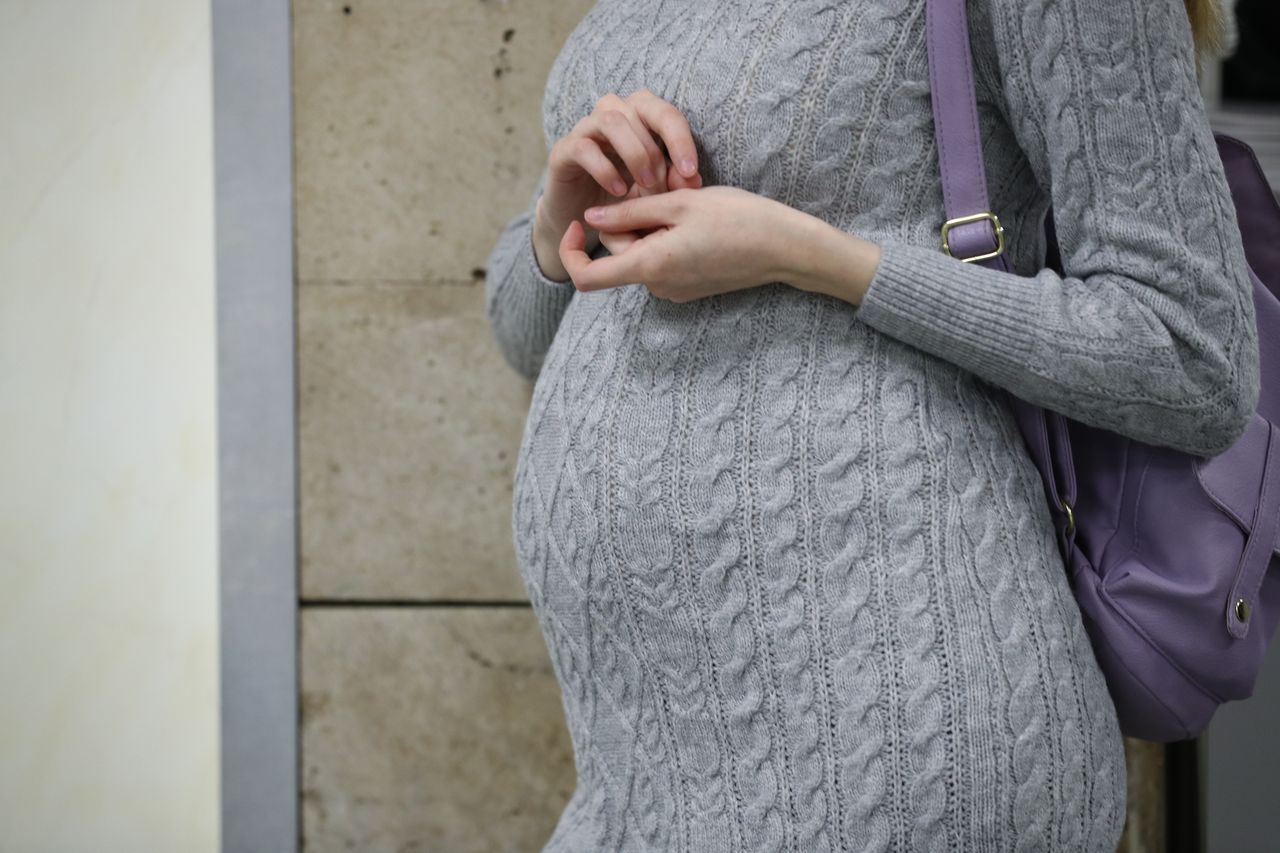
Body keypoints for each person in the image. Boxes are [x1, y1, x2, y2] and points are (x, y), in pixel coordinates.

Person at [483, 0, 1259, 849]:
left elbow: (1192, 355)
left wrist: (813, 256)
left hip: (896, 736)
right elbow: (527, 337)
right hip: (638, 757)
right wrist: (561, 225)